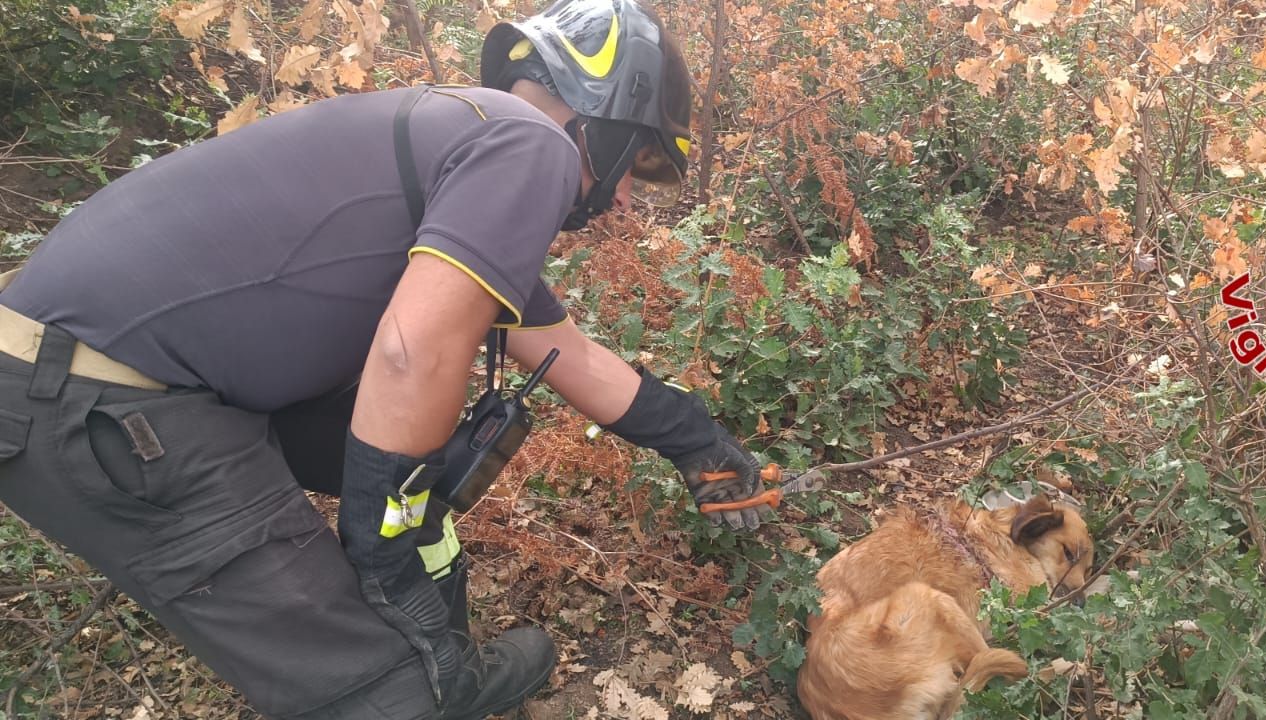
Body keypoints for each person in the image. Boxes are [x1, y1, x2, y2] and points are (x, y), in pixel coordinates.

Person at [0, 0, 767, 717]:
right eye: (635, 169)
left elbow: (565, 353)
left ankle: (449, 669)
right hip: (97, 395)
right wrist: (382, 544)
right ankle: (413, 681)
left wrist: (694, 439)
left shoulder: (462, 139)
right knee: (380, 691)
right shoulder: (528, 145)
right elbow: (410, 353)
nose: (626, 199)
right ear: (606, 126)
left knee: (417, 483)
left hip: (131, 374)